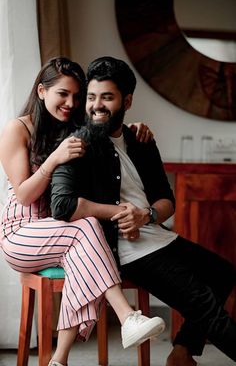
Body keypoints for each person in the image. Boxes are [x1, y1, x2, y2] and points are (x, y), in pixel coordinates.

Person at [50, 56, 236, 366]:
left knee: (224, 273)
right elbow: (63, 206)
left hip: (156, 236)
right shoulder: (78, 144)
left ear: (127, 101)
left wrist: (145, 215)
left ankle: (181, 352)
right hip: (125, 250)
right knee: (204, 306)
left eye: (107, 97)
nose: (97, 105)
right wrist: (121, 213)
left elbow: (166, 200)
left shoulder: (140, 140)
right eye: (92, 97)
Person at [0, 57, 166, 366]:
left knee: (82, 253)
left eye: (77, 95)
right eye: (62, 93)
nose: (71, 102)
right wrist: (53, 160)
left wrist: (132, 128)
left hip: (62, 233)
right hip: (21, 233)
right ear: (41, 91)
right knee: (86, 228)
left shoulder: (75, 129)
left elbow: (109, 131)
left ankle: (58, 361)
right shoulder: (18, 129)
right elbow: (23, 195)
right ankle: (127, 315)